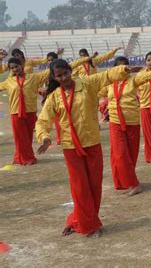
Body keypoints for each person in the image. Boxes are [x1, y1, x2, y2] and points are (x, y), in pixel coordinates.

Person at [35, 59, 141, 237]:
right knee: (80, 187)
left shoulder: (87, 84)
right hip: (71, 148)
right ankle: (89, 226)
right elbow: (43, 120)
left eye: (65, 73)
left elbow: (106, 75)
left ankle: (77, 220)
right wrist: (44, 137)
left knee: (93, 186)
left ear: (71, 71)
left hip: (92, 143)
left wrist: (124, 69)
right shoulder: (54, 97)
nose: (64, 78)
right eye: (59, 76)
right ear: (54, 78)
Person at [99, 55, 151, 195]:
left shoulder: (134, 80)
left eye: (125, 68)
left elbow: (150, 74)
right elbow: (93, 91)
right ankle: (133, 184)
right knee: (119, 154)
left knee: (131, 155)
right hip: (116, 122)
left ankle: (127, 181)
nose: (123, 71)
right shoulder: (109, 85)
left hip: (132, 122)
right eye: (119, 68)